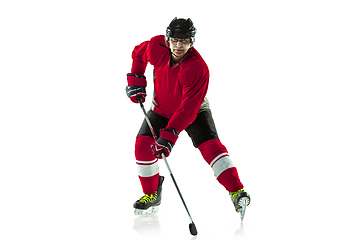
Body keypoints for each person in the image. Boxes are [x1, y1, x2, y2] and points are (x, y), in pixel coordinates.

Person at [126, 17, 251, 218]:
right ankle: (151, 194)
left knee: (210, 146)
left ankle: (237, 191)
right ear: (168, 39)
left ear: (191, 42)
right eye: (175, 40)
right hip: (161, 109)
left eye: (184, 41)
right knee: (142, 145)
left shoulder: (197, 67)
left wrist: (169, 136)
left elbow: (188, 109)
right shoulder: (156, 46)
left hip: (194, 110)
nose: (178, 45)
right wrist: (137, 79)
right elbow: (138, 54)